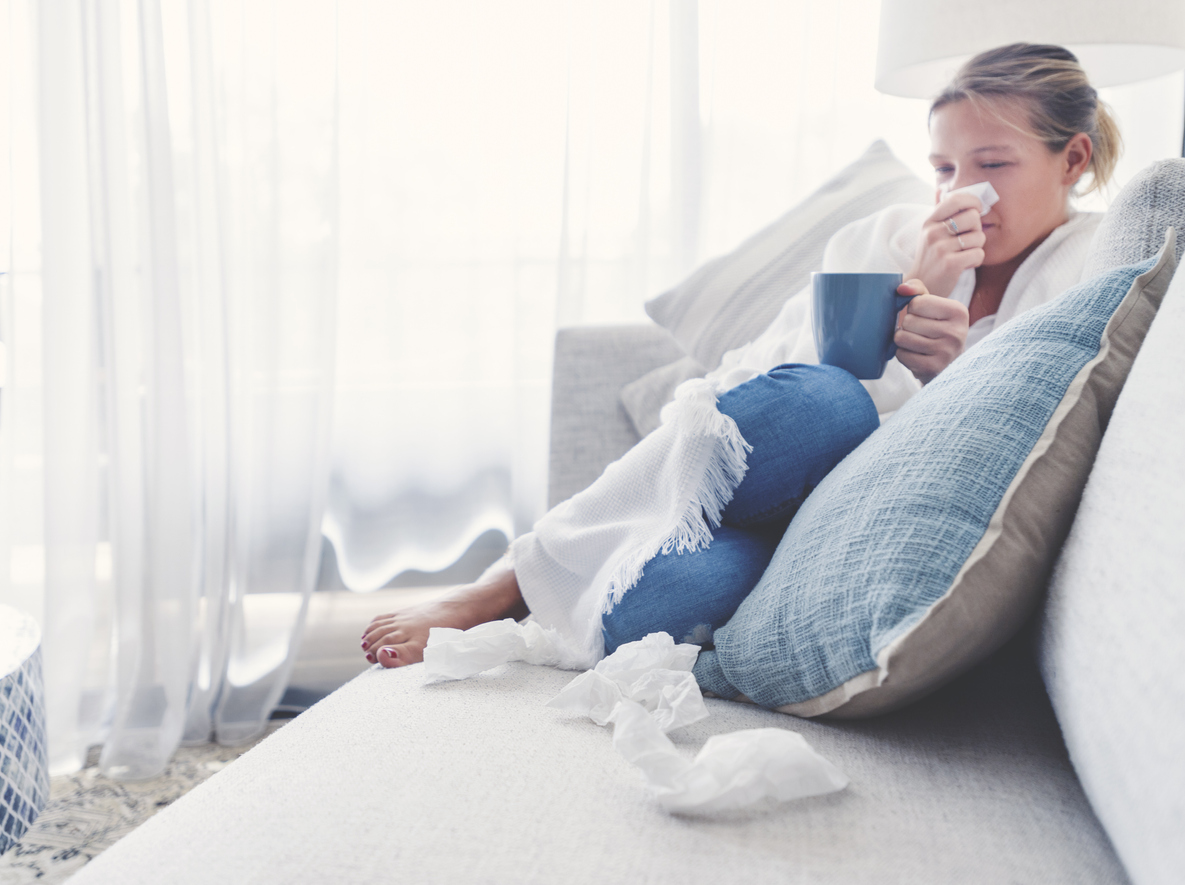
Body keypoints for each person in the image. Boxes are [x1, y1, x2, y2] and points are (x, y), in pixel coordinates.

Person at [360, 43, 1120, 670]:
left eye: (993, 164)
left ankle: (543, 582)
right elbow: (753, 390)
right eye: (945, 169)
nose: (965, 193)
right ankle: (513, 578)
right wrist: (917, 284)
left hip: (833, 527)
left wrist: (942, 373)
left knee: (661, 608)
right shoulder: (884, 238)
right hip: (761, 482)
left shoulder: (1088, 274)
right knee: (821, 402)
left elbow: (987, 450)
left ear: (1072, 159)